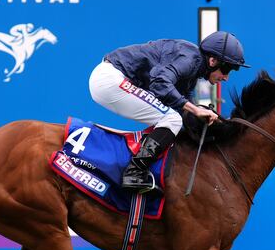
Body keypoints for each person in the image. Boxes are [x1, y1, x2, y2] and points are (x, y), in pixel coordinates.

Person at [89, 31, 250, 192]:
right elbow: (160, 83)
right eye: (227, 69)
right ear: (213, 60)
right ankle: (134, 173)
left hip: (109, 81)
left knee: (173, 118)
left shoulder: (192, 69)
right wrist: (195, 109)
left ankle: (136, 169)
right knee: (172, 119)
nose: (227, 77)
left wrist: (210, 120)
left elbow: (182, 108)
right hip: (111, 79)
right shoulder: (190, 58)